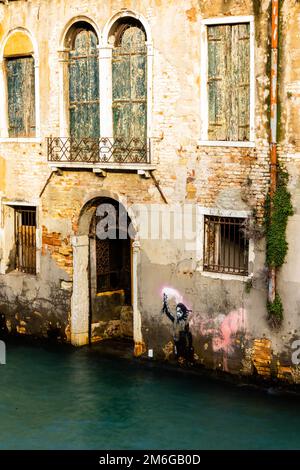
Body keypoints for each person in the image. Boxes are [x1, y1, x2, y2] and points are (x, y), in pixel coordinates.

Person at [161, 293, 194, 362]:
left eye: (179, 311)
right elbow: (168, 313)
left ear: (183, 311)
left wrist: (189, 346)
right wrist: (165, 301)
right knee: (177, 356)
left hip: (183, 343)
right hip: (177, 342)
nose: (178, 313)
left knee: (183, 357)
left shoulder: (186, 322)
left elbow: (188, 335)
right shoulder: (175, 320)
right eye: (177, 311)